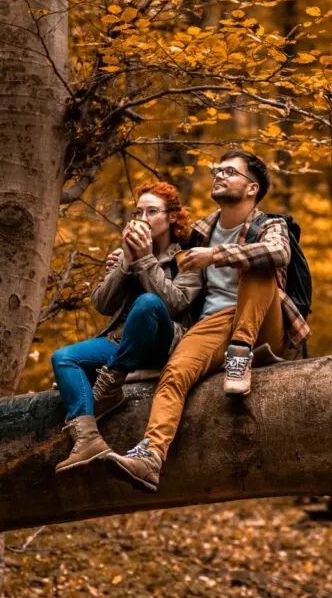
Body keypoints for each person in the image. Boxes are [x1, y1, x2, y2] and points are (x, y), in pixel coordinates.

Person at [106, 150, 311, 492]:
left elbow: (279, 253)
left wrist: (217, 256)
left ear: (252, 188)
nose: (218, 175)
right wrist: (128, 256)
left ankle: (240, 355)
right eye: (218, 170)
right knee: (174, 374)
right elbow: (167, 252)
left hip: (264, 325)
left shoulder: (270, 224)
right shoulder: (201, 230)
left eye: (229, 171)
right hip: (213, 324)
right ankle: (150, 457)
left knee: (258, 266)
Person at [51, 182, 202, 474]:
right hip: (121, 343)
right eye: (138, 212)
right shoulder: (125, 255)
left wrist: (145, 259)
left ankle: (111, 383)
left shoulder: (188, 257)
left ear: (171, 217)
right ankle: (87, 440)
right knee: (64, 357)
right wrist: (125, 264)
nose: (143, 219)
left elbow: (175, 305)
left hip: (164, 345)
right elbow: (102, 304)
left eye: (152, 211)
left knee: (147, 302)